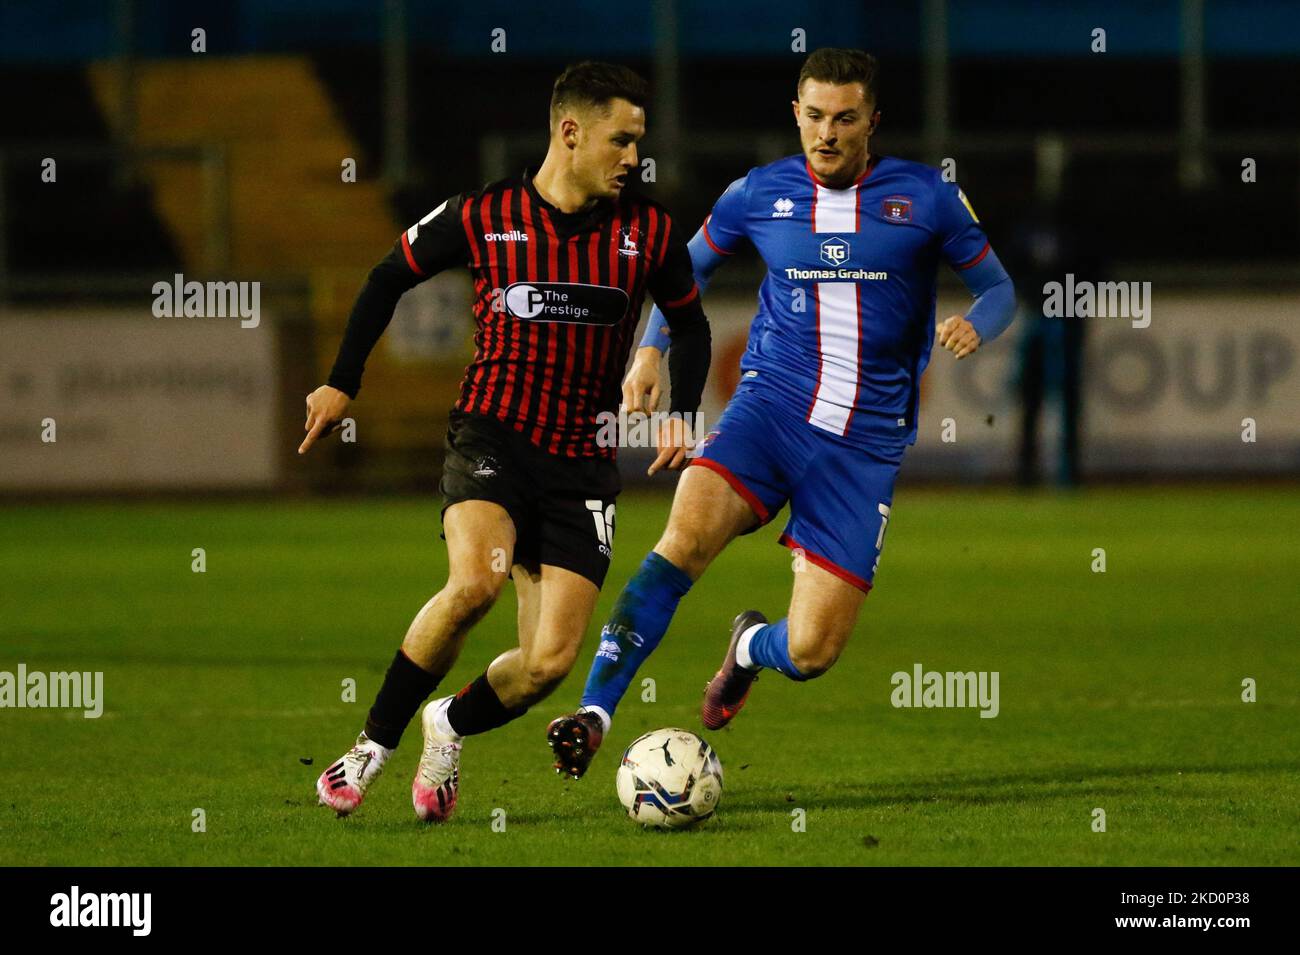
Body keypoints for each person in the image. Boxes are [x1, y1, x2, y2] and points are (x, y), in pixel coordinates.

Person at [547, 48, 1017, 778]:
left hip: (861, 449)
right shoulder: (756, 195)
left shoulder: (925, 198)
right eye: (815, 116)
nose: (827, 133)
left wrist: (976, 325)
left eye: (845, 118)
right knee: (683, 539)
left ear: (872, 122)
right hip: (768, 412)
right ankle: (593, 713)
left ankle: (745, 649)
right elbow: (683, 273)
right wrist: (648, 351)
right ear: (796, 115)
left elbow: (999, 290)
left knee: (810, 652)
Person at [301, 61, 710, 821]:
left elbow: (689, 323)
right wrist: (341, 381)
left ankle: (446, 725)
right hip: (492, 439)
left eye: (638, 143)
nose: (634, 158)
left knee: (548, 664)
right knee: (475, 586)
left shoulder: (649, 232)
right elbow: (388, 276)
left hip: (581, 465)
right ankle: (370, 747)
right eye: (621, 141)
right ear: (570, 132)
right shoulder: (483, 215)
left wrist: (682, 410)